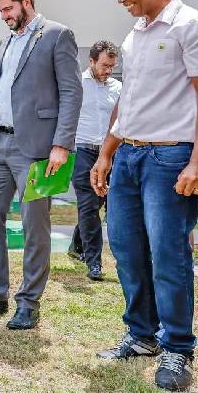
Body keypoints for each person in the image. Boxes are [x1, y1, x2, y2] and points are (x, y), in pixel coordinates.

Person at [92, 0, 198, 390]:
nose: (120, 1)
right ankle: (142, 335)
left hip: (170, 157)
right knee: (126, 249)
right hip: (128, 155)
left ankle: (178, 348)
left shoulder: (194, 26)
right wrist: (106, 153)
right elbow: (128, 100)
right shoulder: (135, 35)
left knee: (168, 255)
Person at [0, 0, 82, 331]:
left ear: (26, 1)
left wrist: (62, 144)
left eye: (8, 8)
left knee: (34, 225)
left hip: (38, 148)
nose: (4, 16)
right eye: (0, 11)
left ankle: (29, 301)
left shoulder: (58, 35)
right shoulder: (6, 43)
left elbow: (72, 93)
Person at [69, 41, 121, 281]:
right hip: (83, 151)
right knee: (89, 206)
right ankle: (94, 262)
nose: (108, 70)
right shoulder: (76, 84)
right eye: (104, 65)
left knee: (108, 204)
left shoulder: (118, 88)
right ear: (91, 61)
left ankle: (76, 242)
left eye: (112, 66)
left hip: (111, 154)